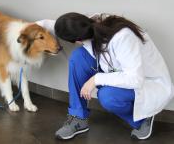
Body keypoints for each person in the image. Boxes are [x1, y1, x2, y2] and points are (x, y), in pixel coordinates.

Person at [36, 13, 174, 140]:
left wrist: (95, 79)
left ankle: (142, 118)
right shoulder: (85, 24)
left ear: (77, 40)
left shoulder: (124, 38)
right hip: (114, 69)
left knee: (107, 96)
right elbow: (51, 25)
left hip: (145, 82)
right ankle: (78, 118)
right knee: (77, 57)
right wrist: (23, 31)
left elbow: (135, 79)